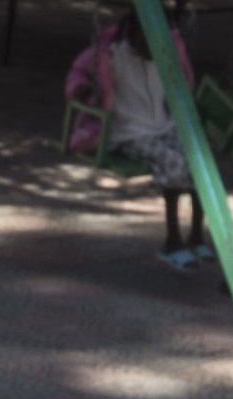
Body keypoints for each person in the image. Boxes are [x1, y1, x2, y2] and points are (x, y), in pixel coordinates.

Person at [73, 7, 207, 266]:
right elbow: (78, 72)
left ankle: (197, 236)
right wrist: (80, 89)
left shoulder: (168, 53)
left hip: (163, 126)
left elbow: (184, 78)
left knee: (200, 157)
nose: (154, 50)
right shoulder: (110, 55)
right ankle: (172, 240)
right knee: (173, 161)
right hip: (130, 133)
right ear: (133, 33)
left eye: (160, 42)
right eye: (147, 42)